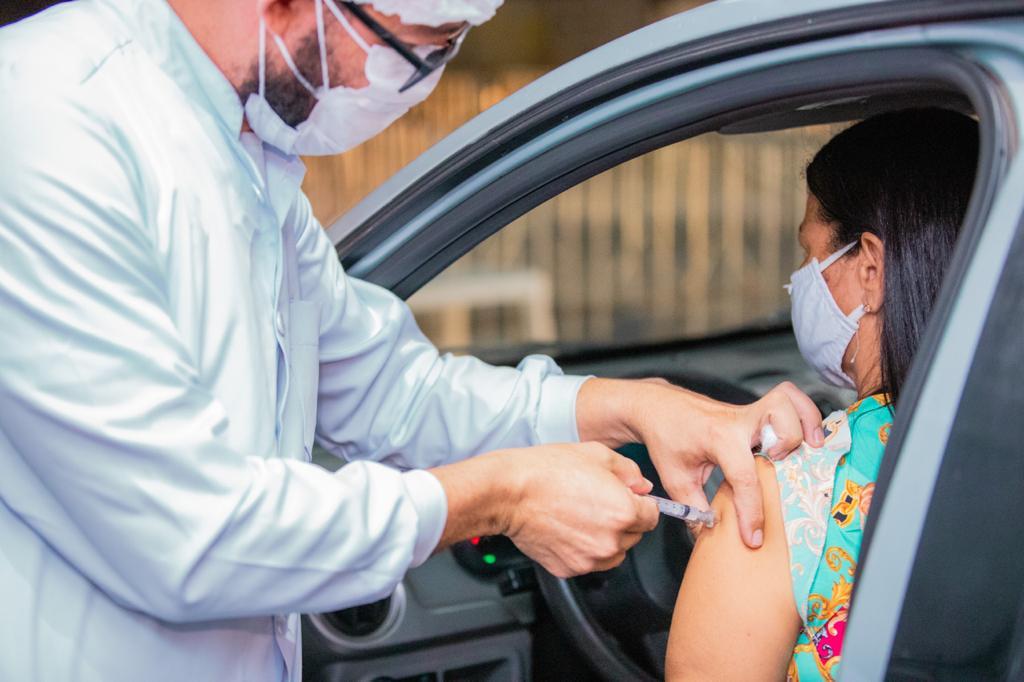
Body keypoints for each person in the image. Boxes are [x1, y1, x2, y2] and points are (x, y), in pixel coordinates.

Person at [0, 1, 823, 680]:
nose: (411, 91)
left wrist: (632, 405)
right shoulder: (46, 124)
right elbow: (189, 531)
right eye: (410, 54)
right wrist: (498, 497)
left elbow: (394, 392)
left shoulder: (243, 151)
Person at [665, 108, 980, 681]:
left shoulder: (787, 488)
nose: (801, 279)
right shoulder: (996, 442)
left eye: (810, 254)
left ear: (870, 268)